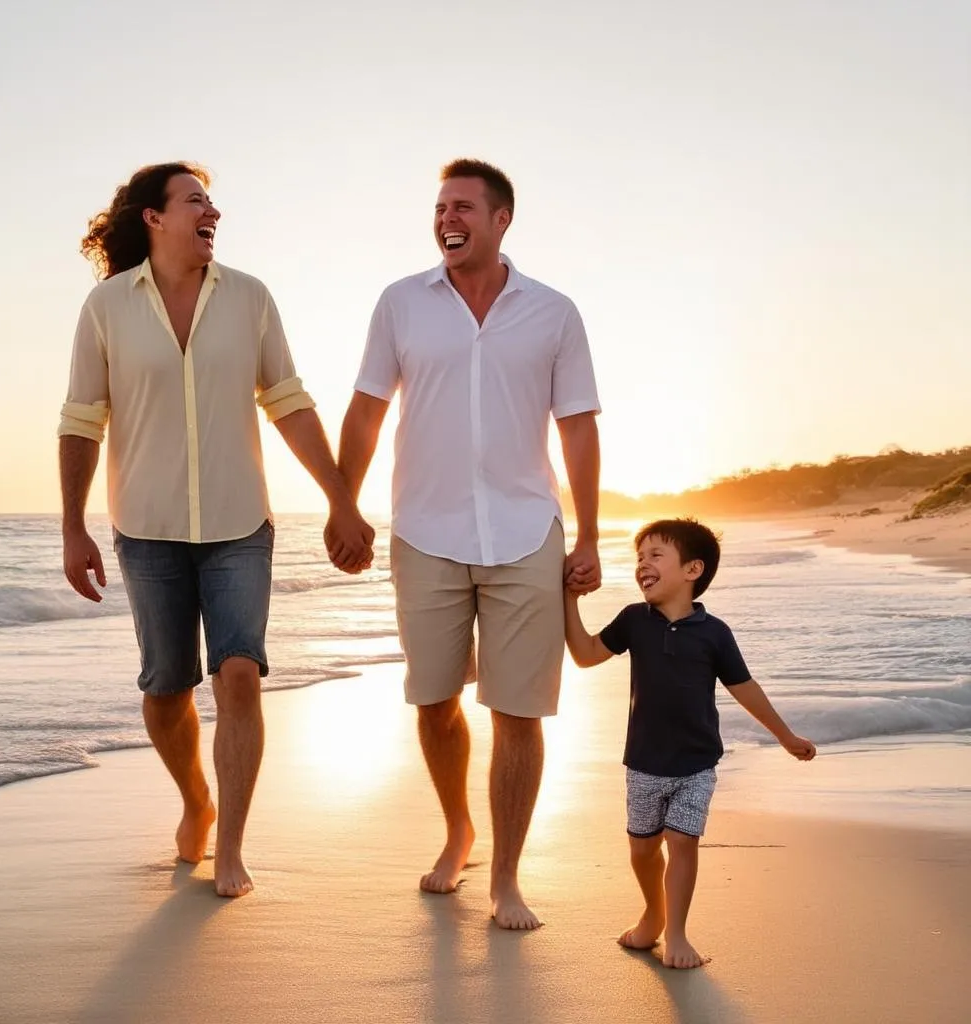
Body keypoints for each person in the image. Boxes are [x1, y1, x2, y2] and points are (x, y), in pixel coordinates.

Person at [58, 162, 373, 897]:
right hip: (147, 526)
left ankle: (230, 846)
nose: (213, 212)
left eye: (212, 201)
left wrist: (341, 498)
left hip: (239, 523)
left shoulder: (251, 298)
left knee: (239, 674)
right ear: (154, 219)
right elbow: (81, 420)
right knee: (166, 690)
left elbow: (289, 402)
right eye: (196, 200)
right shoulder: (105, 308)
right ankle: (195, 802)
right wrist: (72, 528)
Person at [337, 158, 602, 930]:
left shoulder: (554, 313)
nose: (447, 219)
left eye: (462, 207)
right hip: (425, 528)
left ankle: (508, 878)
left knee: (519, 712)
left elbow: (578, 426)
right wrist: (341, 502)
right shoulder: (400, 304)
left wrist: (586, 533)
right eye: (440, 208)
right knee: (433, 699)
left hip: (525, 532)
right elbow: (364, 411)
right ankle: (458, 828)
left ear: (500, 220)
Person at [564, 518, 816, 967]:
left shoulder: (714, 633)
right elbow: (584, 655)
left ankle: (677, 934)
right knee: (642, 849)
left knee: (683, 841)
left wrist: (785, 736)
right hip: (643, 763)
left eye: (656, 555)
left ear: (692, 569)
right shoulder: (633, 621)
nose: (643, 564)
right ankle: (653, 914)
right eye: (639, 557)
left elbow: (746, 689)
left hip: (697, 765)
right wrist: (568, 601)